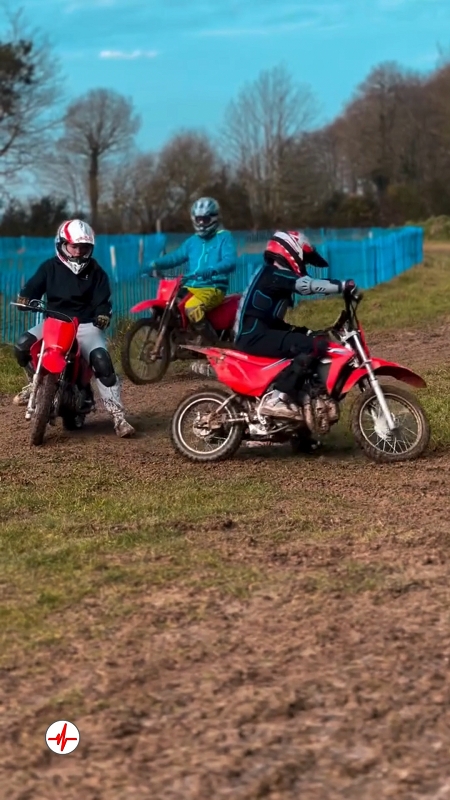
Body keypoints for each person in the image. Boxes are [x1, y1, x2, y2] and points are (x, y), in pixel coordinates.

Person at [13, 219, 135, 438]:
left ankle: (118, 417)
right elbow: (32, 288)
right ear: (62, 244)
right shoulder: (49, 267)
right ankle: (34, 383)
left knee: (102, 361)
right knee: (22, 346)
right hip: (54, 323)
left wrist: (103, 314)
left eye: (84, 247)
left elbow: (103, 301)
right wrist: (25, 298)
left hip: (86, 325)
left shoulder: (96, 272)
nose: (78, 252)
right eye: (74, 246)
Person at [233, 229, 359, 419]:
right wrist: (342, 286)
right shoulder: (274, 273)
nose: (305, 264)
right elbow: (306, 285)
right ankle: (277, 399)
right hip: (253, 336)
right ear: (292, 250)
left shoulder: (272, 275)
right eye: (305, 259)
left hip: (262, 332)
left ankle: (302, 415)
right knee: (311, 346)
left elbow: (272, 319)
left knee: (312, 338)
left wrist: (308, 331)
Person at [149, 197, 237, 344]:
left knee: (192, 307)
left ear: (214, 218)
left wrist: (213, 269)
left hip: (212, 287)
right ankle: (180, 339)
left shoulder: (224, 237)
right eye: (198, 219)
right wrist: (154, 264)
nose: (201, 223)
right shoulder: (192, 241)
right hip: (191, 286)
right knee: (170, 305)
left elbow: (230, 261)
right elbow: (175, 257)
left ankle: (214, 344)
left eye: (205, 219)